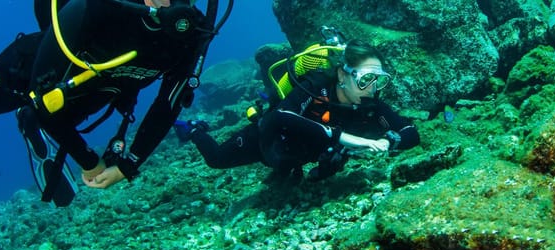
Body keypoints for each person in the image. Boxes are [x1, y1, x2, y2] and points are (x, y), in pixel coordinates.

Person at [0, 0, 233, 206]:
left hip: (93, 96)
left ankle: (32, 123)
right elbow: (46, 102)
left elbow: (168, 104)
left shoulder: (189, 33)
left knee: (53, 115)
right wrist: (88, 159)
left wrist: (128, 163)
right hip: (35, 71)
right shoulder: (95, 10)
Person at [176, 39, 419, 182]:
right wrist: (342, 137)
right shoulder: (315, 88)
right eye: (367, 79)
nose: (373, 87)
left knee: (293, 174)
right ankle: (195, 130)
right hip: (267, 142)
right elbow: (279, 118)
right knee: (216, 159)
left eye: (381, 80)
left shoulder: (370, 104)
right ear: (343, 75)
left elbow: (410, 131)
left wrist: (389, 141)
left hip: (303, 155)